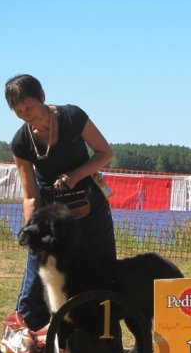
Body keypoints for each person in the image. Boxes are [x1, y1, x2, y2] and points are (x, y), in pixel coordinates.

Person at [6, 74, 116, 331]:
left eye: (29, 107)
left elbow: (105, 153)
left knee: (103, 270)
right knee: (36, 278)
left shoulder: (72, 117)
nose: (25, 115)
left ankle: (107, 342)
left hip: (90, 207)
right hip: (51, 215)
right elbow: (31, 194)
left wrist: (76, 175)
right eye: (18, 111)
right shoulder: (20, 142)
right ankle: (27, 346)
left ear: (42, 96)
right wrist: (31, 228)